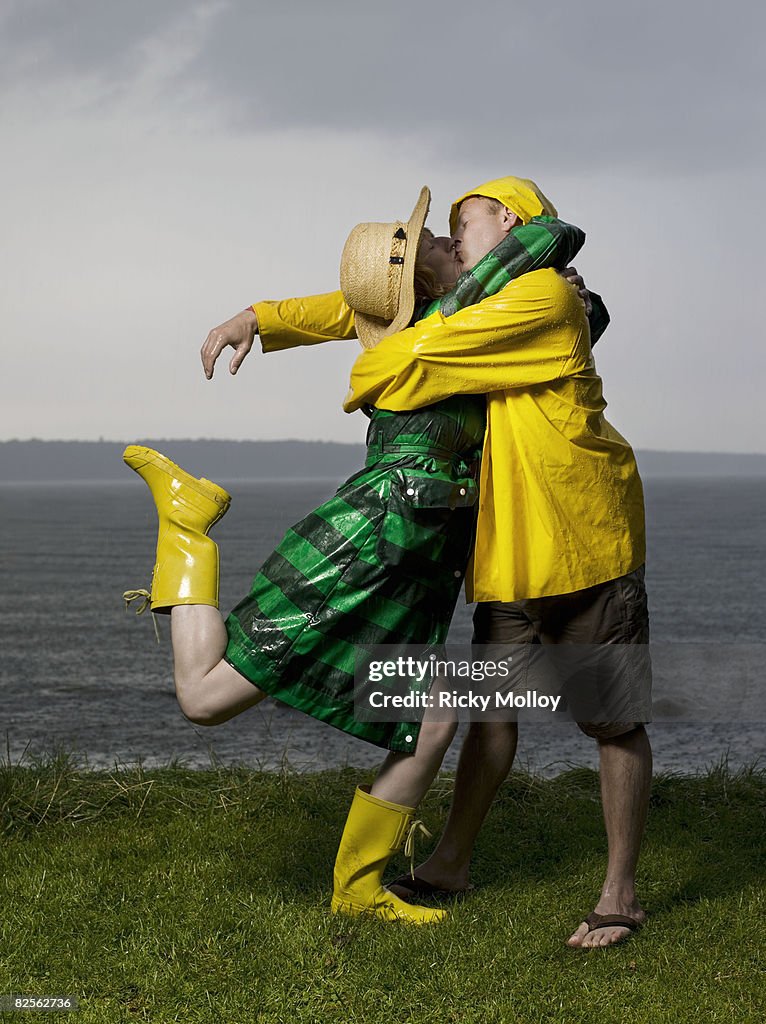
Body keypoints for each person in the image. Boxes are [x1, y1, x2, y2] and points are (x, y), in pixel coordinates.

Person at [204, 176, 651, 948]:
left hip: (583, 543)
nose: (451, 236)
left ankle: (619, 896)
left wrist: (374, 369)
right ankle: (448, 864)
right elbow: (369, 305)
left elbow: (409, 345)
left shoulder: (542, 297)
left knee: (612, 721)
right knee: (491, 712)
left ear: (507, 220)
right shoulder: (483, 296)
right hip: (508, 547)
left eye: (462, 223)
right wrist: (260, 319)